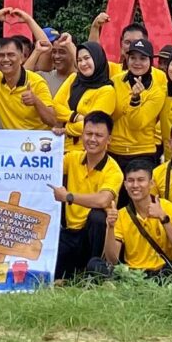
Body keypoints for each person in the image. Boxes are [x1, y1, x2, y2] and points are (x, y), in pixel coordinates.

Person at [54, 112, 124, 279]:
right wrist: (50, 141)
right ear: (82, 134)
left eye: (99, 135)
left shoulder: (113, 170)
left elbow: (103, 200)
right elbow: (46, 167)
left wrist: (69, 197)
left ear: (109, 140)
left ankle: (94, 271)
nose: (92, 139)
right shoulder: (72, 158)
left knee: (98, 216)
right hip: (70, 232)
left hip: (92, 234)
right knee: (55, 272)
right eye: (88, 133)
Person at [104, 163, 172, 279]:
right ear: (125, 185)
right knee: (95, 263)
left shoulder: (168, 207)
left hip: (162, 270)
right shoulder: (121, 214)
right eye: (130, 181)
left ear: (151, 183)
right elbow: (112, 260)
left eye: (140, 180)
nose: (135, 185)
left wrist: (163, 217)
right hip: (132, 273)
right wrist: (110, 227)